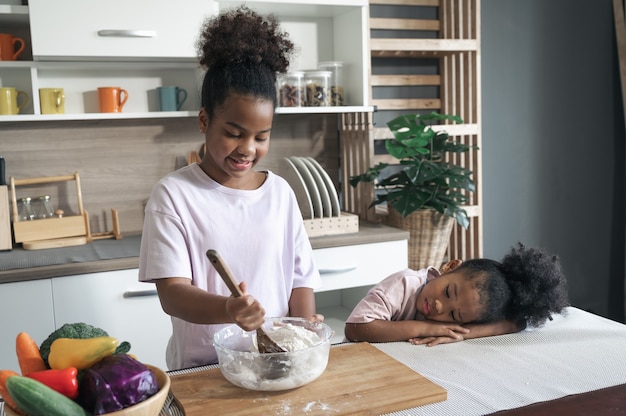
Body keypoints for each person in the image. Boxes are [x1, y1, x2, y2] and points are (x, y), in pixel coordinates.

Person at [138, 6, 322, 370]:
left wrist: (305, 338)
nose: (248, 149)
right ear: (204, 120)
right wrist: (228, 309)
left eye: (261, 136)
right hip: (203, 368)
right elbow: (172, 295)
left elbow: (301, 282)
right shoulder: (174, 195)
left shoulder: (280, 193)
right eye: (234, 133)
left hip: (277, 361)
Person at [344, 243, 569, 346]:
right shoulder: (404, 284)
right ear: (449, 267)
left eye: (454, 316)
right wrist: (427, 328)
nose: (440, 307)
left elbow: (515, 323)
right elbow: (356, 329)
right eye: (448, 291)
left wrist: (463, 334)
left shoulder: (467, 315)